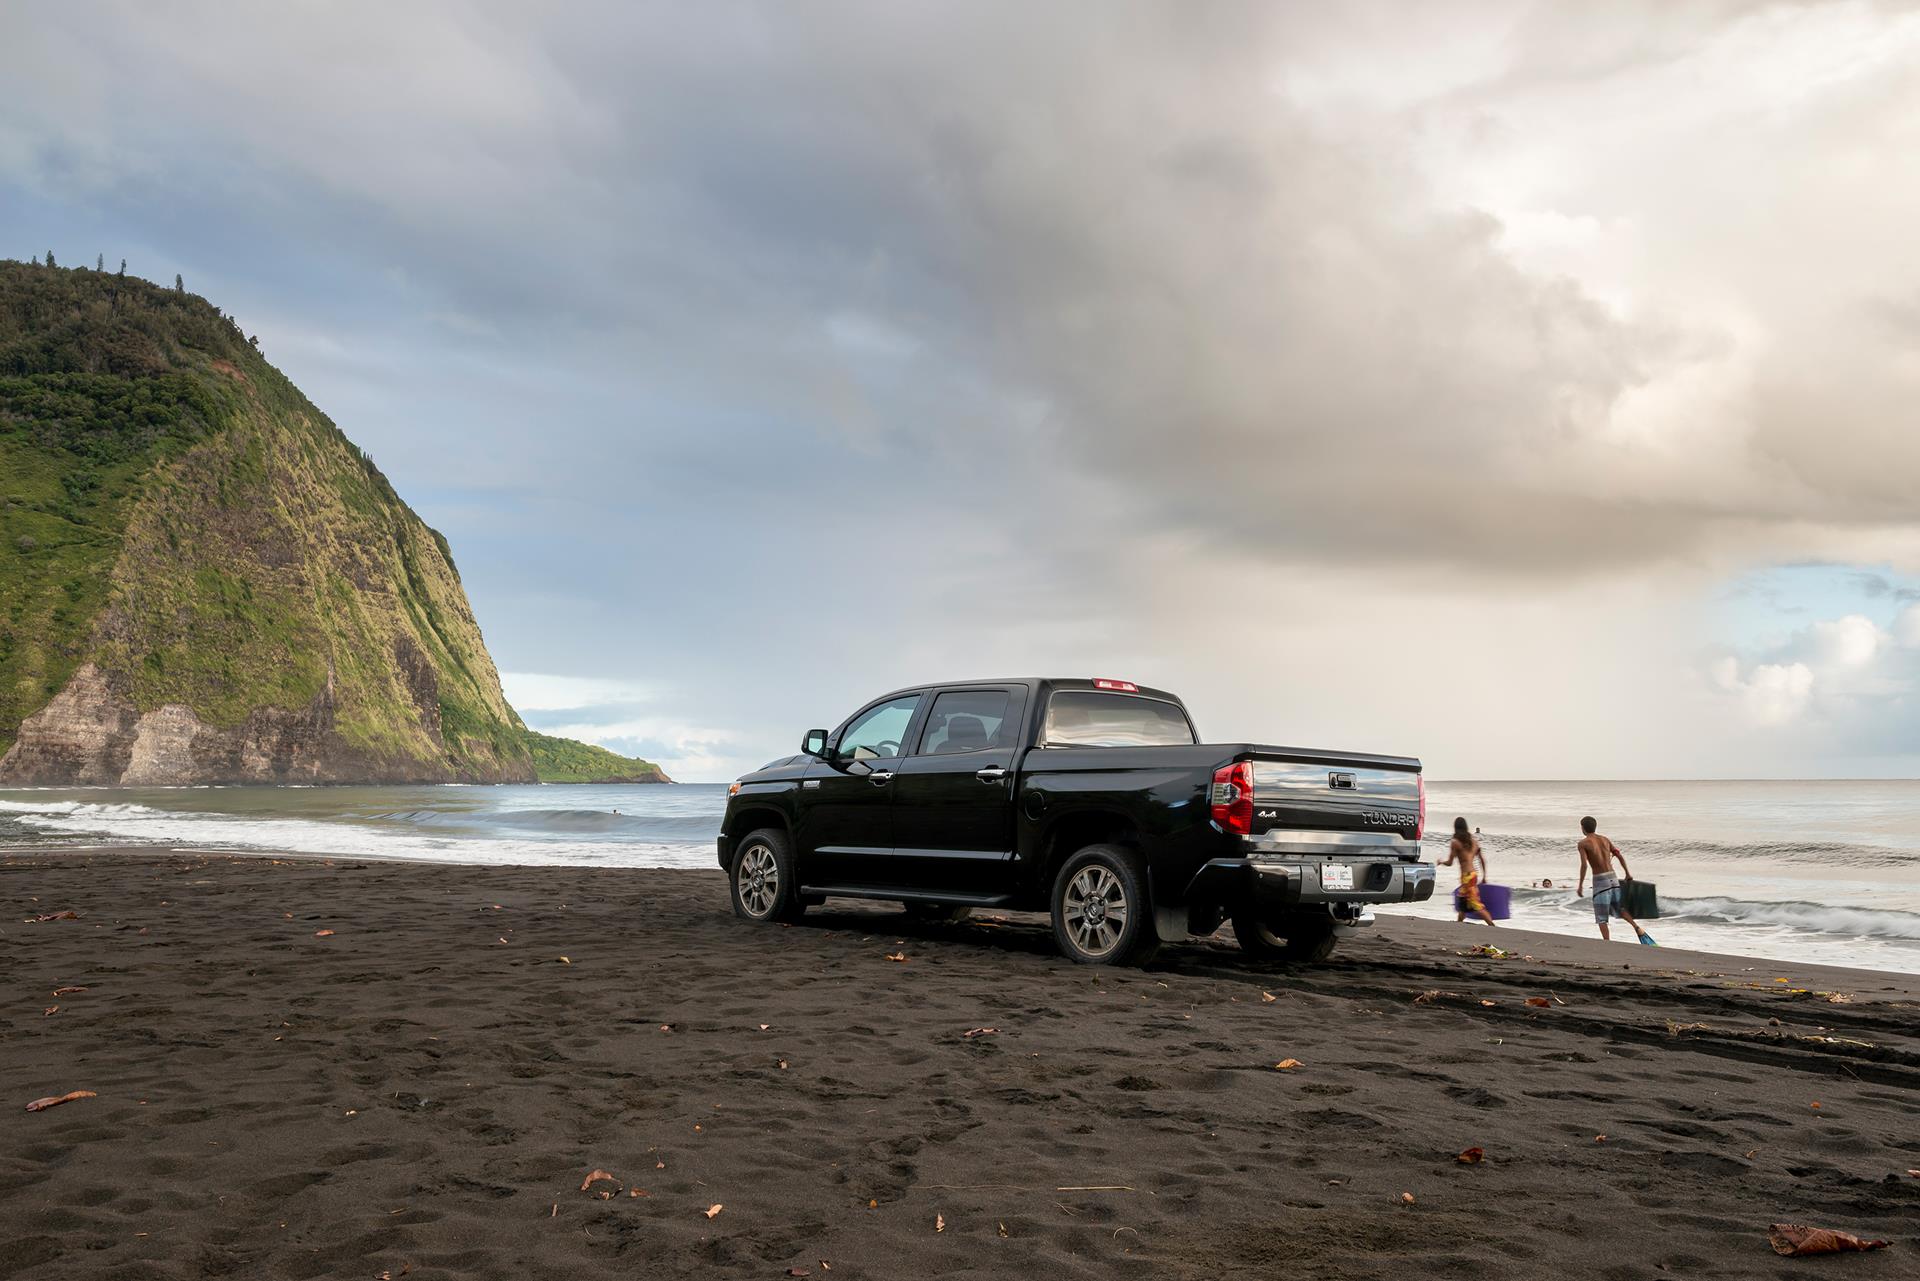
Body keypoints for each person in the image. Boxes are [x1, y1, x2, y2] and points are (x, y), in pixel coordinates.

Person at [1576, 816, 1652, 944]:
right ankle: (1637, 928)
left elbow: (1584, 865)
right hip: (1613, 877)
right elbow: (1619, 855)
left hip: (1600, 881)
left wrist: (1580, 885)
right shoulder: (1605, 839)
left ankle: (1607, 943)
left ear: (1583, 828)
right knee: (1620, 908)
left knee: (1601, 917)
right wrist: (1627, 873)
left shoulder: (1583, 844)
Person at [1442, 816, 1496, 926]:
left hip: (1467, 877)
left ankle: (1491, 925)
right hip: (1473, 875)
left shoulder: (1455, 842)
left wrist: (1441, 862)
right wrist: (1484, 876)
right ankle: (1459, 923)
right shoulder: (1473, 841)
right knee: (1463, 900)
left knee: (1475, 903)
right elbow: (1482, 859)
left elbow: (1450, 862)